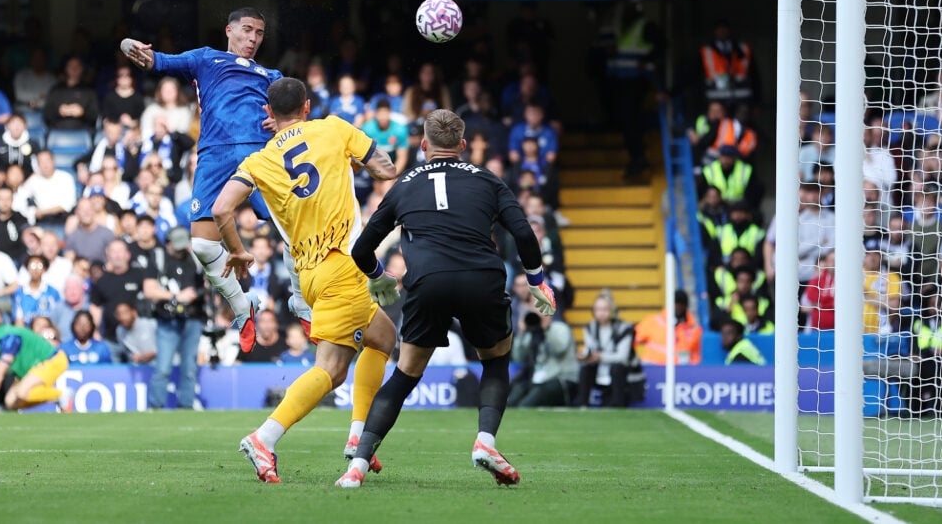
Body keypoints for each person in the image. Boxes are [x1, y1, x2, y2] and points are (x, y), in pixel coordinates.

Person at [336, 107, 556, 489]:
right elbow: (523, 233)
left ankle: (357, 465)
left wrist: (379, 277)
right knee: (496, 360)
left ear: (423, 145)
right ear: (464, 145)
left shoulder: (405, 184)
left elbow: (361, 249)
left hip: (428, 283)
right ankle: (485, 441)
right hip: (481, 280)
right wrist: (536, 281)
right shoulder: (487, 179)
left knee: (404, 375)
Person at [211, 77, 399, 484]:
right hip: (343, 263)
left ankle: (358, 439)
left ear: (269, 114)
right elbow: (387, 170)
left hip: (308, 271)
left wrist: (239, 250)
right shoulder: (333, 128)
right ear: (308, 106)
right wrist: (353, 160)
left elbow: (221, 207)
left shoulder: (258, 161)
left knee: (382, 337)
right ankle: (265, 437)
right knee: (331, 370)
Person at [121, 7, 311, 354]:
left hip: (259, 155)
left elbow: (292, 117)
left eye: (259, 34)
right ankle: (242, 307)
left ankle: (300, 301)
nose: (253, 38)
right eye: (247, 30)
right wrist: (134, 49)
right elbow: (157, 62)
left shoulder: (272, 74)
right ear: (229, 30)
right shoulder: (205, 59)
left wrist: (281, 124)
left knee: (295, 233)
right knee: (204, 246)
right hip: (213, 155)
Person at [143, 225, 206, 410]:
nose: (180, 250)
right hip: (167, 319)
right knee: (163, 367)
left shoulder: (194, 258)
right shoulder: (158, 257)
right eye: (176, 246)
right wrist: (176, 297)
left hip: (193, 318)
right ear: (168, 243)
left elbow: (209, 283)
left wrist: (197, 293)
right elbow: (149, 290)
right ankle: (155, 406)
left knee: (189, 368)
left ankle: (186, 406)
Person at [0, 317, 71, 413]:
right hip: (34, 369)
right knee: (11, 402)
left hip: (53, 360)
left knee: (22, 392)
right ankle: (57, 398)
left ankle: (62, 395)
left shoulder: (7, 337)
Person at [574, 290, 646, 408]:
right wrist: (585, 355)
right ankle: (582, 403)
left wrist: (599, 356)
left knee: (617, 368)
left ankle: (617, 404)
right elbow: (590, 348)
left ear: (612, 311)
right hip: (600, 370)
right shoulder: (590, 327)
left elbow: (622, 357)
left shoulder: (625, 328)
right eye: (598, 309)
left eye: (605, 309)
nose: (601, 313)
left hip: (622, 374)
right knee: (586, 369)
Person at [633, 289, 703, 365]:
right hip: (653, 370)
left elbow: (696, 355)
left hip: (681, 372)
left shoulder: (694, 329)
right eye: (676, 303)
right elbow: (632, 339)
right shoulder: (653, 322)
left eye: (681, 304)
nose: (678, 307)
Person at [114, 301, 157, 365]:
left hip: (159, 365)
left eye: (125, 312)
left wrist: (146, 356)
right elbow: (127, 352)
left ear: (134, 312)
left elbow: (164, 348)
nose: (122, 317)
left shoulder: (150, 324)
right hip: (137, 367)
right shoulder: (120, 330)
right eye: (119, 314)